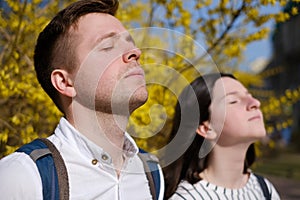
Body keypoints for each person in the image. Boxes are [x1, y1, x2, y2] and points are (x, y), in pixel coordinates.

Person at [0, 0, 164, 199]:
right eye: (108, 46)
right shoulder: (23, 177)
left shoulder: (152, 174)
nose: (135, 53)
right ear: (65, 82)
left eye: (131, 44)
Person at [162, 73, 280, 199]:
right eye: (233, 101)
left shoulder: (264, 189)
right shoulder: (187, 197)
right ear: (206, 128)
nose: (255, 103)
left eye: (249, 96)